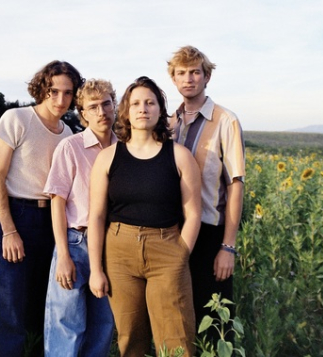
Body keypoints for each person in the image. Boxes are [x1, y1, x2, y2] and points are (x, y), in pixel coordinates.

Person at [88, 76, 202, 357]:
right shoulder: (108, 157)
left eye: (150, 102)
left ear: (160, 111)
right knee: (130, 338)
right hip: (119, 253)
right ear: (126, 111)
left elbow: (193, 212)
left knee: (176, 338)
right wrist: (96, 269)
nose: (143, 108)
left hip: (167, 250)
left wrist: (180, 253)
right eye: (136, 103)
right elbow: (97, 216)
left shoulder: (179, 156)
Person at [0, 60, 83, 357]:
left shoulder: (69, 134)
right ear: (42, 88)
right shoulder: (16, 119)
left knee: (45, 307)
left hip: (53, 222)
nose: (60, 99)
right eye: (53, 91)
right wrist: (9, 231)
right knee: (12, 310)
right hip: (17, 217)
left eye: (68, 93)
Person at [167, 45, 246, 341]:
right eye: (181, 73)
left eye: (195, 72)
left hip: (210, 234)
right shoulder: (167, 122)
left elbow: (235, 184)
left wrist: (228, 247)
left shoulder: (226, 120)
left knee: (214, 323)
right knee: (177, 316)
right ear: (173, 79)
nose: (189, 79)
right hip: (171, 231)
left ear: (207, 76)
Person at [43, 79, 117, 356]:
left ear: (115, 105)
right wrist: (62, 255)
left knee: (103, 324)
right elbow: (57, 202)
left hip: (111, 244)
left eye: (107, 104)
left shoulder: (124, 149)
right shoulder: (70, 147)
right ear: (82, 113)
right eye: (93, 107)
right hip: (75, 242)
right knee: (66, 324)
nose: (101, 112)